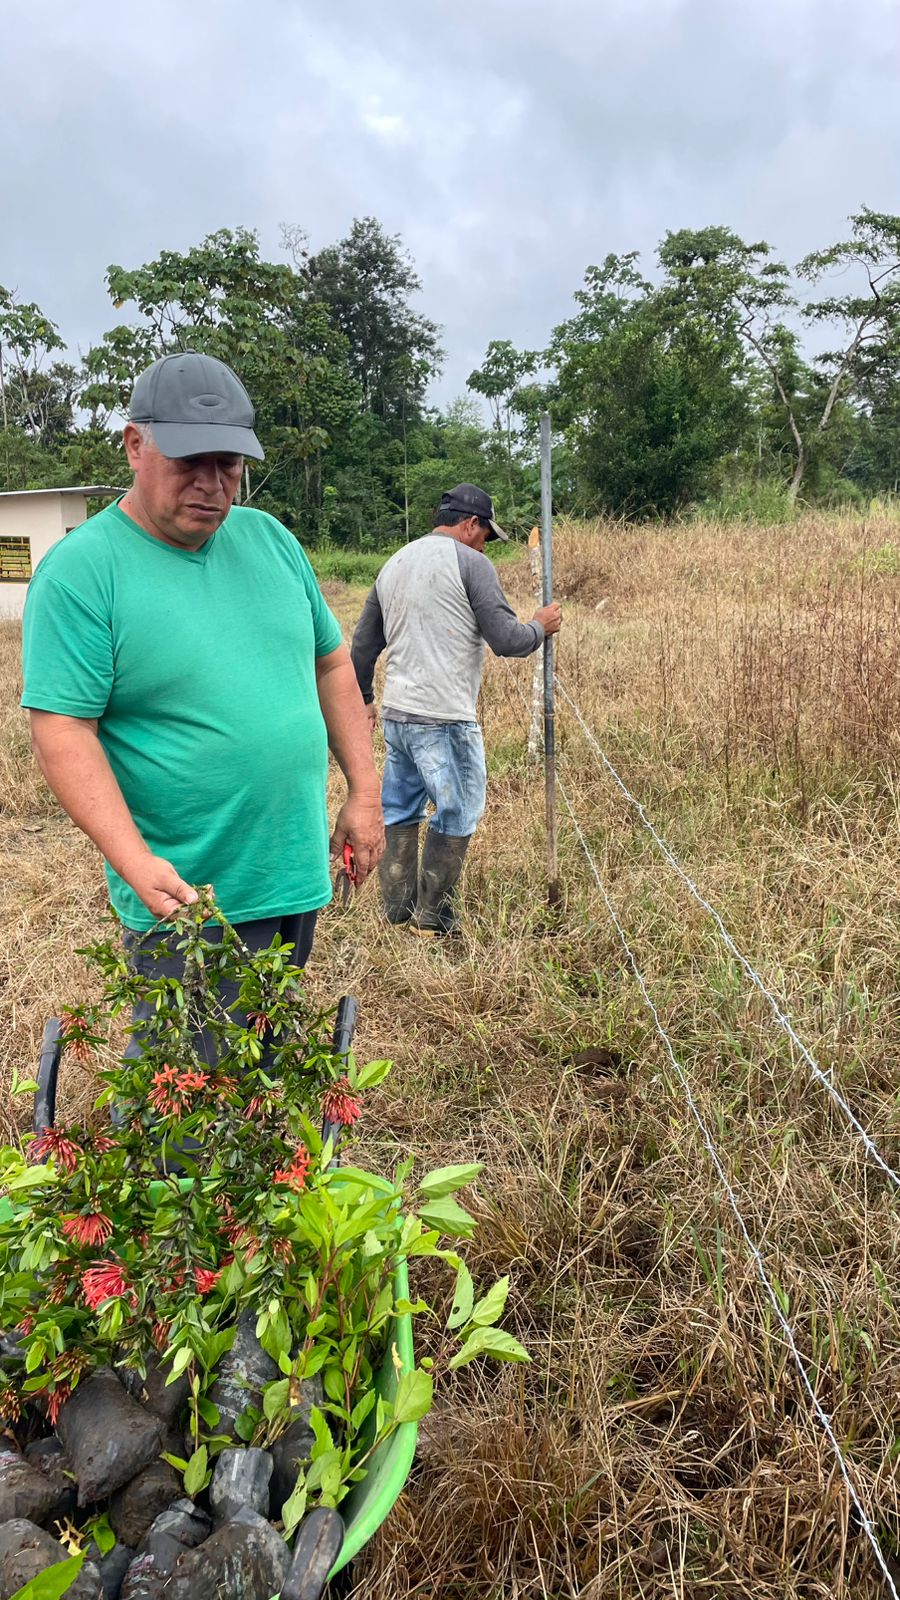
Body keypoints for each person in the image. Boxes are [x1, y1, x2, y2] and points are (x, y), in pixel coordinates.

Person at [22, 351, 384, 1054]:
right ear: (135, 444)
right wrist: (133, 860)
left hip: (289, 871)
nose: (213, 485)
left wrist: (364, 792)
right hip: (186, 896)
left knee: (266, 1064)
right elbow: (63, 729)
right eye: (190, 461)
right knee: (187, 1089)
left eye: (229, 464)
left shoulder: (270, 540)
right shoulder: (83, 573)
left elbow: (332, 663)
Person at [350, 483, 561, 936]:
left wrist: (366, 698)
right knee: (459, 810)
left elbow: (363, 646)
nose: (485, 545)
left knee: (400, 810)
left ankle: (396, 911)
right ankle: (433, 918)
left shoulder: (395, 563)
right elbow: (507, 640)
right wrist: (539, 626)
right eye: (485, 535)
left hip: (399, 715)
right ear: (470, 524)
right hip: (444, 716)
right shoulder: (471, 563)